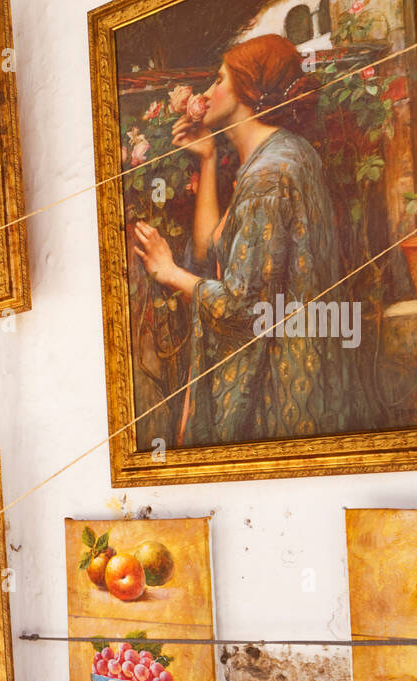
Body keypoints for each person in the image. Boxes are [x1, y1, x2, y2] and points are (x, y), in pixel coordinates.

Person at [132, 34, 365, 447]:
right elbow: (212, 252)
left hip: (281, 387)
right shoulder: (278, 155)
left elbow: (241, 307)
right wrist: (206, 159)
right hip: (300, 373)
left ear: (246, 89)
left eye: (218, 80)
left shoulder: (268, 176)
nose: (206, 94)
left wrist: (169, 272)